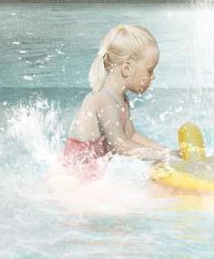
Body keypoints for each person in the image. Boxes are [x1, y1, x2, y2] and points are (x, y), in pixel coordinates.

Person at [66, 24, 172, 180]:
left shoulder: (122, 100)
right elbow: (121, 145)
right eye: (150, 70)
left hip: (89, 178)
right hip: (70, 178)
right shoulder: (102, 100)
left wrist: (166, 151)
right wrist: (161, 155)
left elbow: (131, 135)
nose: (153, 77)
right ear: (127, 68)